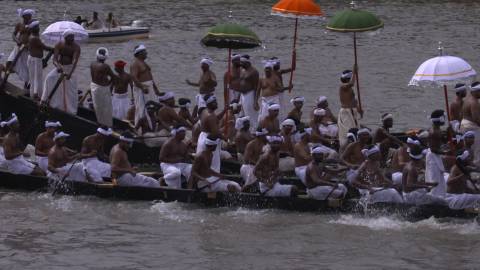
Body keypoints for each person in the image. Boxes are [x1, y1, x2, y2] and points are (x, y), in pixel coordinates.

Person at [41, 29, 81, 114]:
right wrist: (58, 66)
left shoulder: (76, 47)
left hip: (70, 69)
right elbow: (55, 59)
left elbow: (74, 61)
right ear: (65, 38)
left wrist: (70, 73)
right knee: (49, 78)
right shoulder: (59, 44)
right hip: (60, 68)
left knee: (71, 91)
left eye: (73, 37)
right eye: (70, 37)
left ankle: (71, 111)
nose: (72, 39)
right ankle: (46, 101)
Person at [130, 44, 161, 125]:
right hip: (142, 89)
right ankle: (140, 126)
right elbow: (133, 77)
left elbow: (150, 77)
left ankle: (152, 124)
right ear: (139, 53)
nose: (146, 53)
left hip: (149, 87)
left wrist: (155, 89)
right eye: (144, 52)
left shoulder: (143, 63)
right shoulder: (135, 64)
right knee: (142, 108)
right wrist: (142, 87)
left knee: (152, 106)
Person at [195, 94, 225, 172]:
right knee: (212, 164)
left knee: (202, 160)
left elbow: (214, 120)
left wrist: (224, 111)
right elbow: (216, 133)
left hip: (202, 137)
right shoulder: (211, 116)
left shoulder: (204, 111)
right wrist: (226, 138)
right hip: (210, 141)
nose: (217, 103)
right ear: (209, 104)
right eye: (214, 102)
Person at [7, 9, 34, 89]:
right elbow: (13, 34)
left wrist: (28, 45)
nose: (29, 19)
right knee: (9, 62)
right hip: (18, 47)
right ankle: (5, 79)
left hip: (26, 50)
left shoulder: (32, 26)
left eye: (30, 17)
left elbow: (34, 37)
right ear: (23, 17)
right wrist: (17, 40)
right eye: (27, 17)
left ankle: (27, 86)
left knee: (27, 68)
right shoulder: (19, 24)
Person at [90, 47, 116, 127]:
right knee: (106, 108)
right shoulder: (105, 66)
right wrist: (110, 84)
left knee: (98, 107)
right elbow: (113, 77)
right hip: (103, 88)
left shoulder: (92, 64)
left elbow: (92, 77)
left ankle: (100, 123)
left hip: (94, 87)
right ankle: (107, 125)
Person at [338, 66, 362, 148]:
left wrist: (359, 110)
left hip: (353, 112)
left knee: (356, 130)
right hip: (346, 113)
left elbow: (354, 101)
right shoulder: (343, 87)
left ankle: (356, 146)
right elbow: (351, 83)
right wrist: (355, 72)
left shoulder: (351, 89)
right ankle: (347, 148)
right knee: (348, 132)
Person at [27, 21, 52, 100]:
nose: (39, 28)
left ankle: (34, 94)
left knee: (34, 78)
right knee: (37, 78)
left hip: (33, 59)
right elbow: (44, 47)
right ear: (34, 29)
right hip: (35, 60)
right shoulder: (35, 38)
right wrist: (54, 49)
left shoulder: (33, 36)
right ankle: (36, 95)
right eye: (37, 27)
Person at [460, 82, 480, 167]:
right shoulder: (474, 102)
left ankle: (466, 164)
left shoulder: (467, 99)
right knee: (477, 150)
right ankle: (476, 167)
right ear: (475, 91)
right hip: (472, 127)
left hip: (464, 124)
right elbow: (477, 119)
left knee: (467, 148)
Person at [239, 55, 260, 131]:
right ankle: (244, 131)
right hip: (242, 95)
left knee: (251, 115)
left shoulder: (254, 72)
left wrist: (255, 102)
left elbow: (256, 88)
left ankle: (254, 131)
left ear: (247, 62)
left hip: (250, 95)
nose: (240, 64)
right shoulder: (242, 70)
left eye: (242, 62)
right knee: (242, 115)